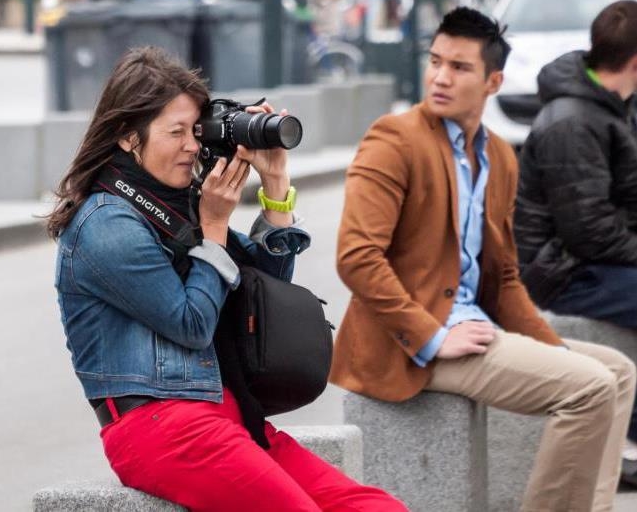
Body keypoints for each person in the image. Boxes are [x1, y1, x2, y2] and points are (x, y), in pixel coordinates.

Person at [46, 46, 407, 512]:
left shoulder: (176, 210)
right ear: (128, 137)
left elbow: (263, 287)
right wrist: (214, 226)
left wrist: (275, 184)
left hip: (229, 416)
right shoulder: (106, 224)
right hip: (158, 428)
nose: (192, 146)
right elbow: (192, 323)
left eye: (195, 131)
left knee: (374, 505)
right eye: (176, 132)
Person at [330, 7, 636, 512]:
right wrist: (432, 335)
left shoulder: (498, 154)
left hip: (474, 328)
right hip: (409, 344)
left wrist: (551, 347)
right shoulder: (394, 139)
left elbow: (505, 277)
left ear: (493, 81)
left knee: (617, 371)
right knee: (589, 387)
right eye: (436, 61)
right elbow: (357, 257)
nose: (440, 77)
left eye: (459, 67)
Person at [515, 0, 637, 483]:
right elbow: (589, 231)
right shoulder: (573, 121)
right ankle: (630, 442)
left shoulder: (612, 105)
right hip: (563, 271)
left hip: (593, 257)